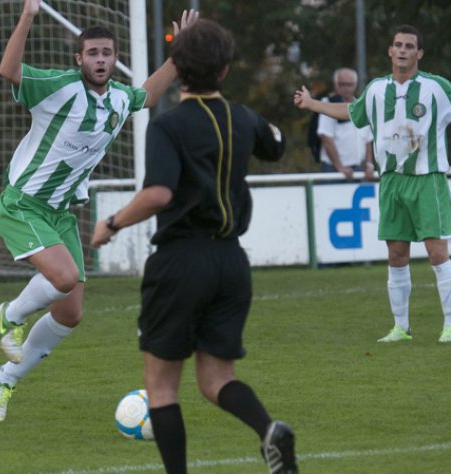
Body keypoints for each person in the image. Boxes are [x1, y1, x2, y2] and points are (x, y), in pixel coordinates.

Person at [91, 20, 297, 474]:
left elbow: (159, 193)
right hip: (231, 263)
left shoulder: (169, 126)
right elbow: (277, 144)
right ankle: (268, 430)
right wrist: (259, 124)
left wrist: (111, 222)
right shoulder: (243, 118)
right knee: (217, 378)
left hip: (181, 261)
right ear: (224, 70)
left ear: (178, 69)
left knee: (162, 388)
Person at [0, 0, 198, 423]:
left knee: (70, 312)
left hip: (61, 213)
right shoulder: (58, 87)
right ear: (78, 58)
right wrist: (27, 16)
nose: (100, 60)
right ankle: (10, 315)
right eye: (93, 53)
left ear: (115, 59)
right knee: (63, 278)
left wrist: (180, 53)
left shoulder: (119, 97)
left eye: (107, 53)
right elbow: (9, 71)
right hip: (23, 203)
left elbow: (150, 94)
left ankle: (5, 377)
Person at [294, 25, 451, 343]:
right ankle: (401, 328)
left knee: (437, 253)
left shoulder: (436, 88)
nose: (404, 50)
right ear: (390, 52)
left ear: (419, 53)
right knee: (396, 255)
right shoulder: (377, 89)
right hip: (392, 181)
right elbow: (351, 112)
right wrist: (312, 104)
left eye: (410, 45)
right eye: (398, 45)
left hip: (427, 180)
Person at [317, 68, 375, 180]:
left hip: (357, 169)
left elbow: (368, 140)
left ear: (355, 85)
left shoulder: (361, 106)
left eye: (350, 84)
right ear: (336, 85)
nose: (346, 88)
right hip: (333, 170)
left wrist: (369, 165)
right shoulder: (329, 104)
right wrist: (339, 167)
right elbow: (326, 139)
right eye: (342, 84)